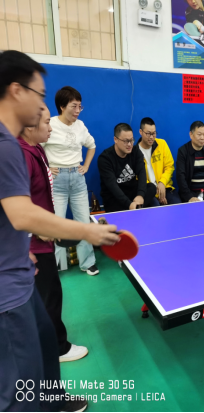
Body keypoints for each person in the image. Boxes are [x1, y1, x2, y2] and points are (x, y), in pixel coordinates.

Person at [0, 50, 118, 413]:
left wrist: (21, 248)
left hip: (20, 273)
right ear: (16, 91)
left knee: (45, 341)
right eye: (39, 95)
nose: (43, 107)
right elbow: (22, 214)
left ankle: (53, 401)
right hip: (7, 292)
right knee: (18, 387)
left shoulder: (13, 144)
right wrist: (88, 232)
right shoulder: (7, 147)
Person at [19, 105, 88, 364]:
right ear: (30, 125)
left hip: (42, 240)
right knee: (49, 297)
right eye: (47, 123)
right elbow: (14, 206)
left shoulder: (37, 149)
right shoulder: (22, 156)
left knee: (49, 295)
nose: (51, 128)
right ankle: (58, 348)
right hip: (33, 245)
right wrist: (33, 235)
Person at [42, 86, 99, 276]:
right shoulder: (50, 124)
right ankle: (57, 265)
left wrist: (86, 166)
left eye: (80, 106)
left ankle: (88, 263)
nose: (77, 111)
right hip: (56, 180)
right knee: (56, 224)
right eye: (74, 106)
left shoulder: (80, 126)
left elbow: (91, 146)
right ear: (62, 106)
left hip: (77, 178)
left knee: (83, 222)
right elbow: (36, 147)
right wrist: (47, 168)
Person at [98, 123, 157, 213]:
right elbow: (113, 186)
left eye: (131, 140)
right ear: (115, 139)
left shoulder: (136, 151)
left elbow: (142, 173)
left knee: (152, 187)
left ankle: (135, 208)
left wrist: (140, 195)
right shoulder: (105, 159)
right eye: (126, 141)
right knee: (113, 200)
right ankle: (135, 209)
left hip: (132, 193)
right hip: (115, 197)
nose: (129, 144)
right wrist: (129, 204)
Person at [137, 117, 181, 206]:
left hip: (165, 186)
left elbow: (170, 166)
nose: (151, 137)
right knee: (155, 207)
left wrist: (162, 182)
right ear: (141, 132)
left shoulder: (162, 144)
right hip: (148, 191)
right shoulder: (135, 152)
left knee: (177, 205)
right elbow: (137, 178)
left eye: (154, 133)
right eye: (148, 134)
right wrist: (157, 192)